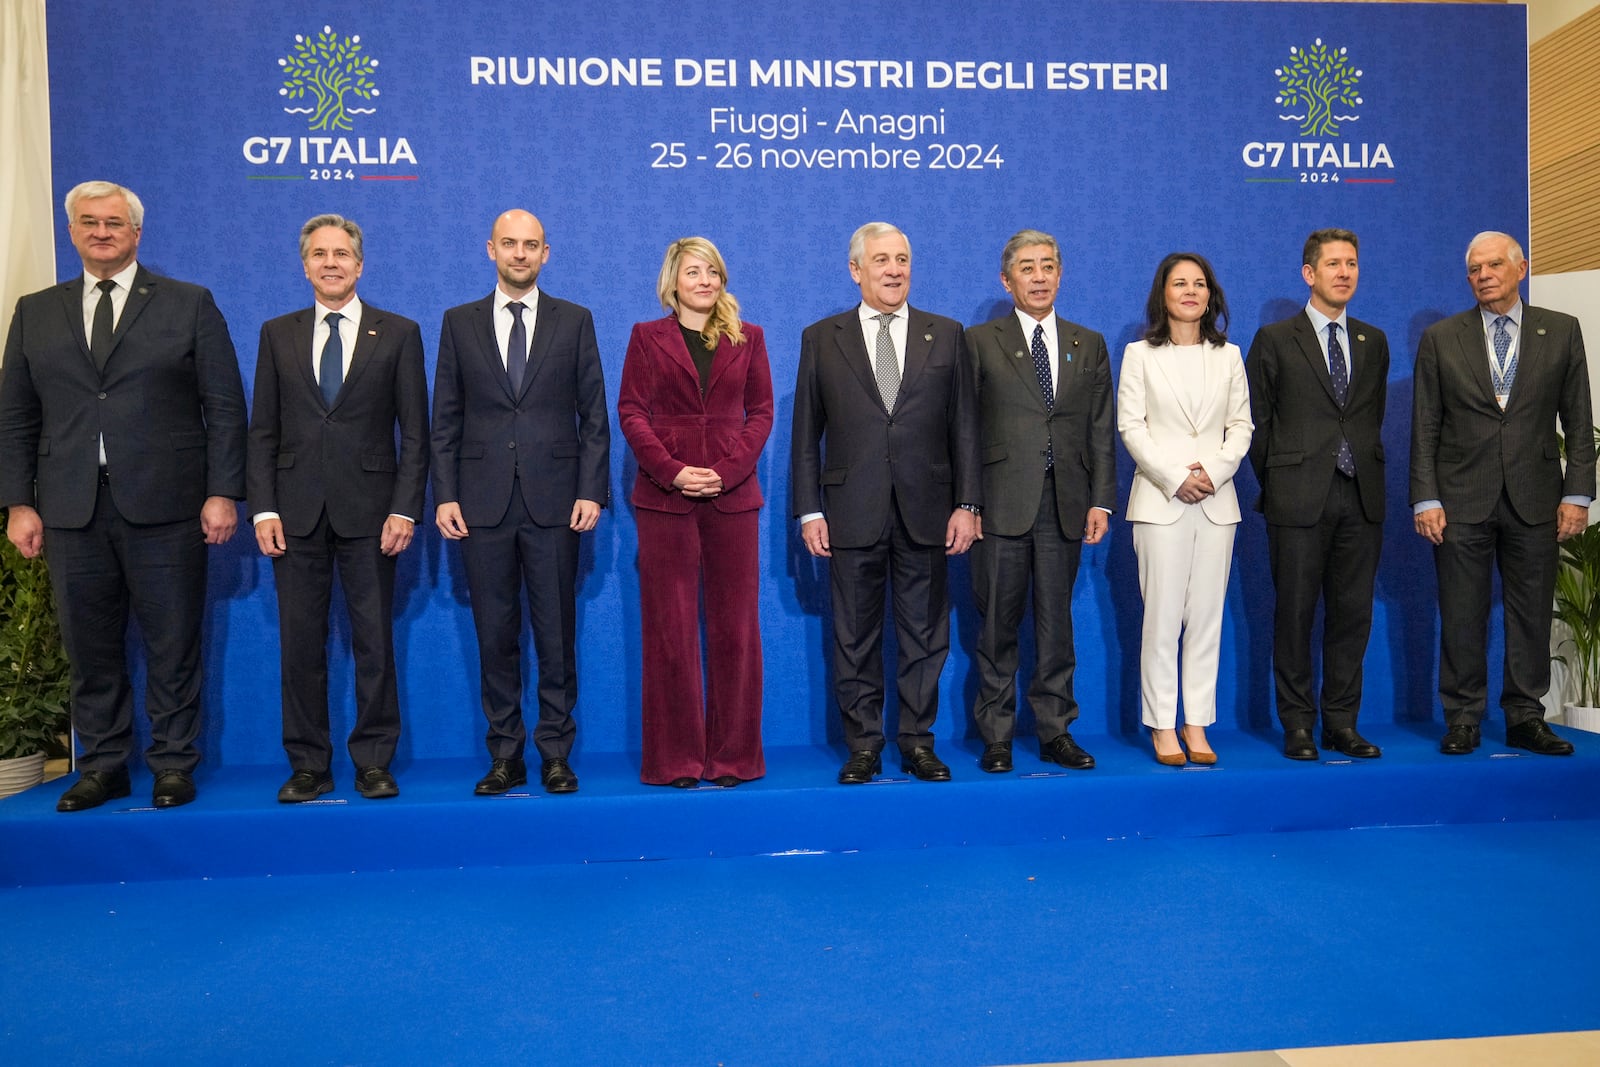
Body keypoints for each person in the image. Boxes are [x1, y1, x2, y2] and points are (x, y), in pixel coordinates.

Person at [0, 180, 247, 811]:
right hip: (70, 508)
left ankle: (172, 763)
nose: (102, 232)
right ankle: (103, 764)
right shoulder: (35, 311)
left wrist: (224, 492)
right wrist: (19, 503)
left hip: (168, 506)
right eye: (89, 222)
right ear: (72, 232)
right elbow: (15, 416)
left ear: (137, 233)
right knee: (90, 646)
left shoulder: (188, 304)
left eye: (114, 222)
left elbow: (223, 407)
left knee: (173, 643)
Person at [791, 221, 982, 784]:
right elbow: (806, 432)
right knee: (854, 637)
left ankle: (918, 743)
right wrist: (809, 509)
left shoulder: (946, 333)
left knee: (926, 636)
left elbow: (965, 427)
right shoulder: (821, 337)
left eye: (902, 259)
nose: (893, 270)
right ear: (856, 270)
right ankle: (864, 746)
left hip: (929, 511)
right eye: (881, 260)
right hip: (850, 511)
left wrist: (968, 504)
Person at [247, 214, 429, 802]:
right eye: (320, 254)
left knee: (374, 642)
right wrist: (263, 510)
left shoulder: (398, 333)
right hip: (293, 516)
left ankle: (374, 760)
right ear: (305, 265)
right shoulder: (278, 333)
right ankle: (308, 766)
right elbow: (262, 432)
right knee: (301, 646)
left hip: (373, 515)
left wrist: (405, 509)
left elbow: (417, 434)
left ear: (360, 263)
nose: (331, 262)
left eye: (342, 253)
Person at [432, 209, 610, 795]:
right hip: (480, 505)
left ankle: (556, 753)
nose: (520, 254)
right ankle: (504, 755)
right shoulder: (458, 323)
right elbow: (445, 421)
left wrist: (591, 490)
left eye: (531, 245)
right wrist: (445, 495)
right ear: (490, 250)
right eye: (509, 244)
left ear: (546, 253)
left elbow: (595, 417)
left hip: (556, 503)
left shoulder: (575, 320)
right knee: (494, 634)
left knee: (556, 635)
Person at [1410, 230, 1593, 756]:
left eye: (1493, 266)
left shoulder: (1560, 331)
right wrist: (1426, 497)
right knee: (1462, 611)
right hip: (1460, 497)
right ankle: (1463, 717)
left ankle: (1524, 717)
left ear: (1521, 268)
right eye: (1474, 269)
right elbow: (1425, 426)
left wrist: (1577, 494)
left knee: (1531, 612)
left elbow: (1579, 422)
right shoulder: (1442, 338)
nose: (1483, 276)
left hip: (1537, 497)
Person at [618, 238, 773, 788]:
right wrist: (674, 470)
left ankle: (733, 760)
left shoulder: (749, 338)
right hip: (666, 500)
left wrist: (726, 473)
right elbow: (632, 413)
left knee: (736, 631)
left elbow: (761, 413)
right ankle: (675, 761)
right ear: (673, 281)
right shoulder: (645, 338)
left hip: (733, 500)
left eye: (713, 271)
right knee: (671, 631)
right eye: (693, 272)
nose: (704, 280)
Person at [966, 229, 1115, 774]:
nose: (1039, 276)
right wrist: (968, 503)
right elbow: (965, 429)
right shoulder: (979, 341)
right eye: (1027, 268)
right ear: (1007, 281)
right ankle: (998, 735)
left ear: (1060, 274)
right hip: (1001, 504)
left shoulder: (1089, 342)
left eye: (1048, 266)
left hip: (1066, 506)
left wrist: (1101, 500)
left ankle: (1056, 731)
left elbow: (1101, 430)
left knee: (1057, 627)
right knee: (997, 627)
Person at [1246, 229, 1388, 761]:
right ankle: (1298, 725)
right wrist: (1283, 480)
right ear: (1310, 274)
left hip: (1362, 498)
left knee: (1353, 616)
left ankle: (1342, 724)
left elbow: (1369, 418)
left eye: (1352, 263)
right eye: (1333, 264)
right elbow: (1258, 426)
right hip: (1297, 499)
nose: (1344, 272)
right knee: (1296, 616)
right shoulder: (1276, 339)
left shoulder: (1373, 341)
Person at [1117, 253, 1252, 766]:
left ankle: (1197, 723)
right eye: (1180, 283)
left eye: (1199, 284)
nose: (1191, 291)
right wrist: (1177, 479)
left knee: (1206, 619)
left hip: (1217, 504)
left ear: (1211, 296)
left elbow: (1241, 426)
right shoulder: (1139, 354)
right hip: (1160, 503)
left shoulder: (1229, 355)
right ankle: (1162, 726)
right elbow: (1132, 427)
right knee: (1163, 617)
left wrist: (1212, 474)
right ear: (1164, 294)